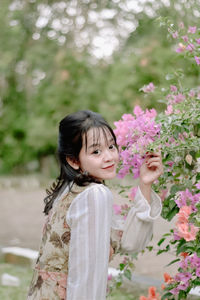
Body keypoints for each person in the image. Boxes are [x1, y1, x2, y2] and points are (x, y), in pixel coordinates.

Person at [27, 110, 163, 300]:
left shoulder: (72, 191)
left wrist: (145, 184)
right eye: (96, 151)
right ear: (73, 160)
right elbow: (87, 279)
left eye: (111, 146)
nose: (108, 157)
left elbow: (127, 242)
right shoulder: (94, 195)